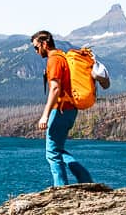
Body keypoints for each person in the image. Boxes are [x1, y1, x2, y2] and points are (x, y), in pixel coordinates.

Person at [32, 30, 94, 187]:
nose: (36, 51)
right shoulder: (62, 56)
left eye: (36, 47)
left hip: (60, 110)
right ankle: (85, 180)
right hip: (69, 110)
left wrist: (45, 115)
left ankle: (61, 188)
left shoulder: (54, 60)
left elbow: (54, 88)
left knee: (52, 153)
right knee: (57, 150)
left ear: (44, 44)